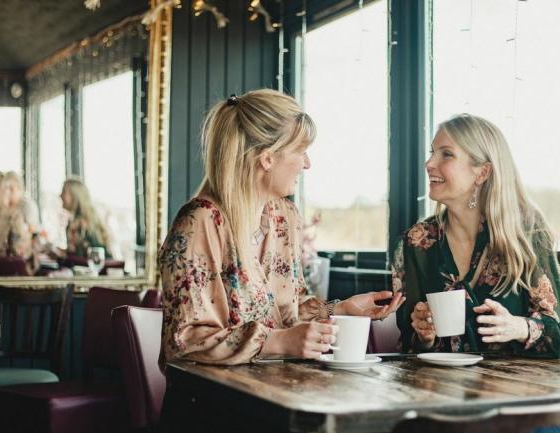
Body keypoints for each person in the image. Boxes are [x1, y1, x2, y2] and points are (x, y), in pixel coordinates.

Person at [159, 89, 404, 367]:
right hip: (213, 398)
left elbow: (287, 312)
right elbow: (186, 340)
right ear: (267, 158)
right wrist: (278, 342)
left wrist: (340, 309)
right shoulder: (200, 221)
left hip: (278, 388)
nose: (307, 163)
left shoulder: (284, 217)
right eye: (301, 151)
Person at [392, 114, 560, 358]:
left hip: (514, 390)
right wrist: (423, 336)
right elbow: (407, 344)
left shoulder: (527, 233)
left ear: (482, 173)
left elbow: (557, 336)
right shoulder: (416, 243)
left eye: (446, 154)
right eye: (432, 152)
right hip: (439, 389)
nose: (429, 163)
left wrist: (519, 327)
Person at [0, 170, 35, 273]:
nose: (8, 193)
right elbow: (20, 253)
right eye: (6, 188)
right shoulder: (12, 215)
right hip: (2, 282)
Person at [60, 179, 112, 259]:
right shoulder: (75, 221)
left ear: (75, 196)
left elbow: (93, 256)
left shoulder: (85, 223)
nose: (60, 195)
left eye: (64, 192)